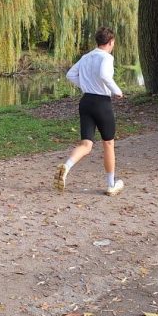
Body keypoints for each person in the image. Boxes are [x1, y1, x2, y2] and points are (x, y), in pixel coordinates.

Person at [54, 27, 125, 196]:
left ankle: (67, 166)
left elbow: (71, 75)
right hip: (101, 103)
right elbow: (104, 75)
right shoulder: (107, 57)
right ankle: (110, 184)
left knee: (86, 144)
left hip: (86, 101)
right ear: (111, 42)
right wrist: (117, 90)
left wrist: (85, 86)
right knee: (108, 143)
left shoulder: (85, 57)